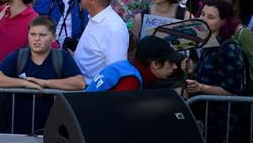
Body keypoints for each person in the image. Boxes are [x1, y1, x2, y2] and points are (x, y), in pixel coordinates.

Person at [0, 15, 84, 133]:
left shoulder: (62, 57)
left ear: (54, 38)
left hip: (52, 129)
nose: (36, 39)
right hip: (16, 129)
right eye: (32, 34)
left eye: (42, 35)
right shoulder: (19, 55)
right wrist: (24, 83)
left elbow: (79, 82)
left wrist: (44, 83)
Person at [189, 0, 251, 143]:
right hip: (204, 115)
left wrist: (201, 88)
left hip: (223, 120)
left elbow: (232, 90)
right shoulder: (206, 42)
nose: (203, 19)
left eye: (210, 17)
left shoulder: (229, 47)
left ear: (223, 21)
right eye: (202, 14)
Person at [35, 36, 184, 93]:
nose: (175, 67)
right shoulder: (130, 79)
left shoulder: (125, 67)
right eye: (171, 63)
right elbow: (119, 113)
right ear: (155, 64)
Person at [73, 0, 129, 79]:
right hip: (81, 85)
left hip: (92, 91)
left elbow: (114, 71)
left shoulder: (114, 28)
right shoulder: (94, 17)